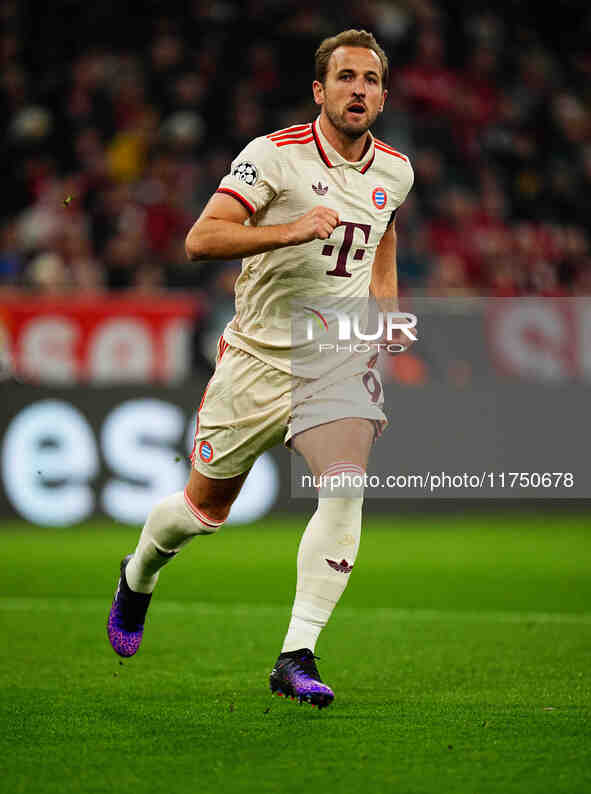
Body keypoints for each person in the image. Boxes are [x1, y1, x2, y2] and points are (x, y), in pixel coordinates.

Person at [107, 29, 415, 709]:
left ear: (383, 94)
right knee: (200, 513)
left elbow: (384, 232)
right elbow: (200, 239)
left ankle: (295, 653)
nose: (357, 89)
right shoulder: (271, 158)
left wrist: (384, 323)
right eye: (344, 78)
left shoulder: (395, 170)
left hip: (334, 360)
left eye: (369, 79)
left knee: (343, 488)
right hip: (254, 360)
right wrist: (290, 229)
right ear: (319, 91)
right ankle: (138, 575)